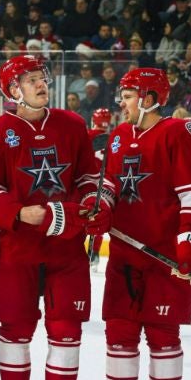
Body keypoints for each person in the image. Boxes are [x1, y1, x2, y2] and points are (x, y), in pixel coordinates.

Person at [0, 54, 101, 380]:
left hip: (66, 252)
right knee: (15, 333)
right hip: (18, 251)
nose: (40, 83)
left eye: (41, 77)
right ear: (13, 91)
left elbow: (90, 180)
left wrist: (81, 213)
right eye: (29, 79)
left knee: (67, 334)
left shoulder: (72, 125)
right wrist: (13, 214)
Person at [92, 67, 191, 380]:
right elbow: (108, 183)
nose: (120, 103)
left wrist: (190, 244)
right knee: (119, 334)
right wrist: (102, 209)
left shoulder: (179, 132)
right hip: (125, 255)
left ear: (147, 98)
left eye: (127, 97)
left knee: (163, 336)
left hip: (164, 257)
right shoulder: (120, 135)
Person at [87, 107, 112, 272]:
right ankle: (94, 254)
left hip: (88, 182)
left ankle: (84, 255)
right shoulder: (114, 138)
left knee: (83, 217)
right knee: (100, 221)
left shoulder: (87, 136)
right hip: (107, 184)